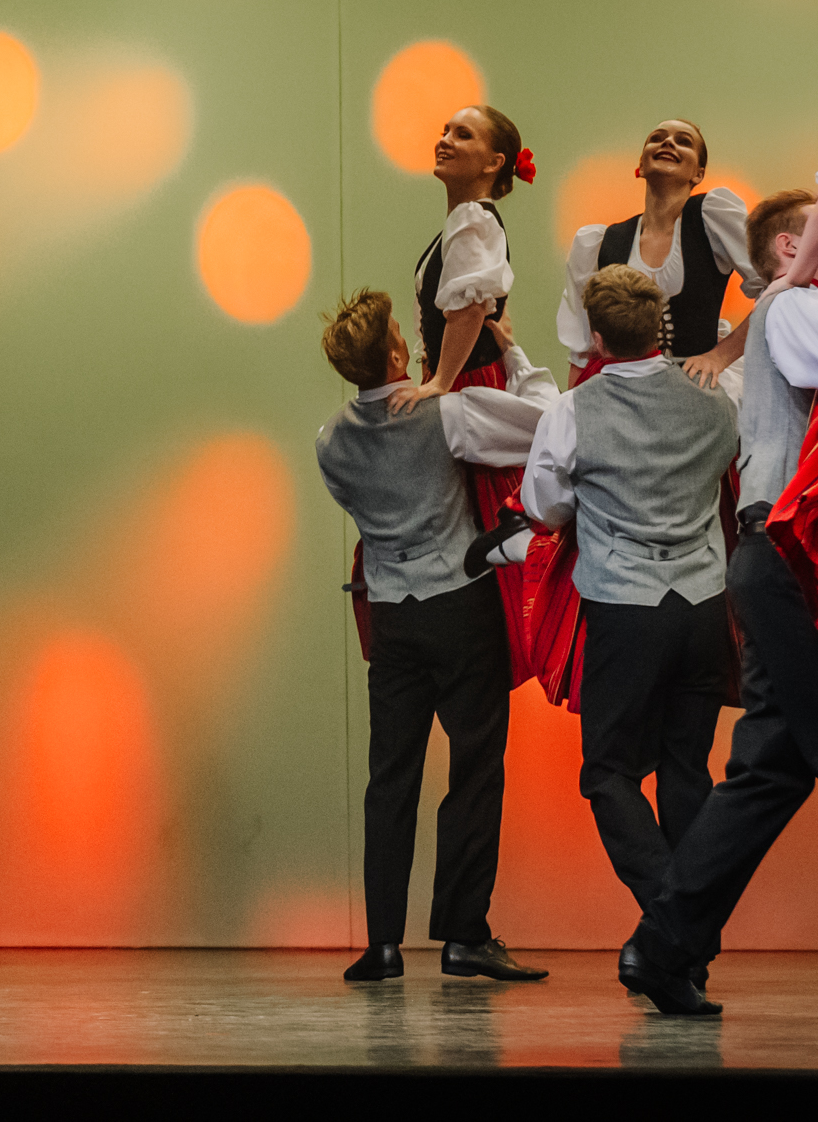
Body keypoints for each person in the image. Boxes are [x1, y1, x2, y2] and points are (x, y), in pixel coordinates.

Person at [316, 290, 555, 984]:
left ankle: (384, 943)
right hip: (461, 607)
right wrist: (511, 351)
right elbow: (545, 424)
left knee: (391, 777)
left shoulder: (330, 441)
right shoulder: (447, 412)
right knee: (475, 769)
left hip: (393, 618)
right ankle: (463, 935)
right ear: (397, 354)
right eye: (405, 334)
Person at [623, 191, 818, 1015]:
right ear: (788, 248)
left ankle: (664, 943)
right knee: (772, 763)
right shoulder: (789, 307)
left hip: (781, 555)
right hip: (787, 552)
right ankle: (663, 941)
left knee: (771, 767)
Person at [522, 265, 739, 929]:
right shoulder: (717, 399)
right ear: (657, 328)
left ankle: (673, 922)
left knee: (609, 772)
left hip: (624, 608)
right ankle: (688, 936)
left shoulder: (571, 411)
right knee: (687, 769)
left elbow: (544, 507)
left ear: (596, 338)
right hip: (704, 605)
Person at [388, 105, 547, 687]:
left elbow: (470, 308)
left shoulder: (474, 220)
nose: (445, 139)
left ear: (494, 162)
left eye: (463, 134)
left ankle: (491, 654)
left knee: (481, 521)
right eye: (444, 130)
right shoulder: (465, 221)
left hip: (472, 387)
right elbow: (475, 309)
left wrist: (439, 382)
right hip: (468, 378)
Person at [557, 119, 759, 393]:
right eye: (657, 138)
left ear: (698, 174)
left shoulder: (711, 219)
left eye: (683, 141)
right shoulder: (602, 242)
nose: (668, 142)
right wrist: (573, 407)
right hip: (626, 392)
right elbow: (583, 346)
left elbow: (774, 291)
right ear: (640, 166)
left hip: (697, 390)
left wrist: (719, 357)